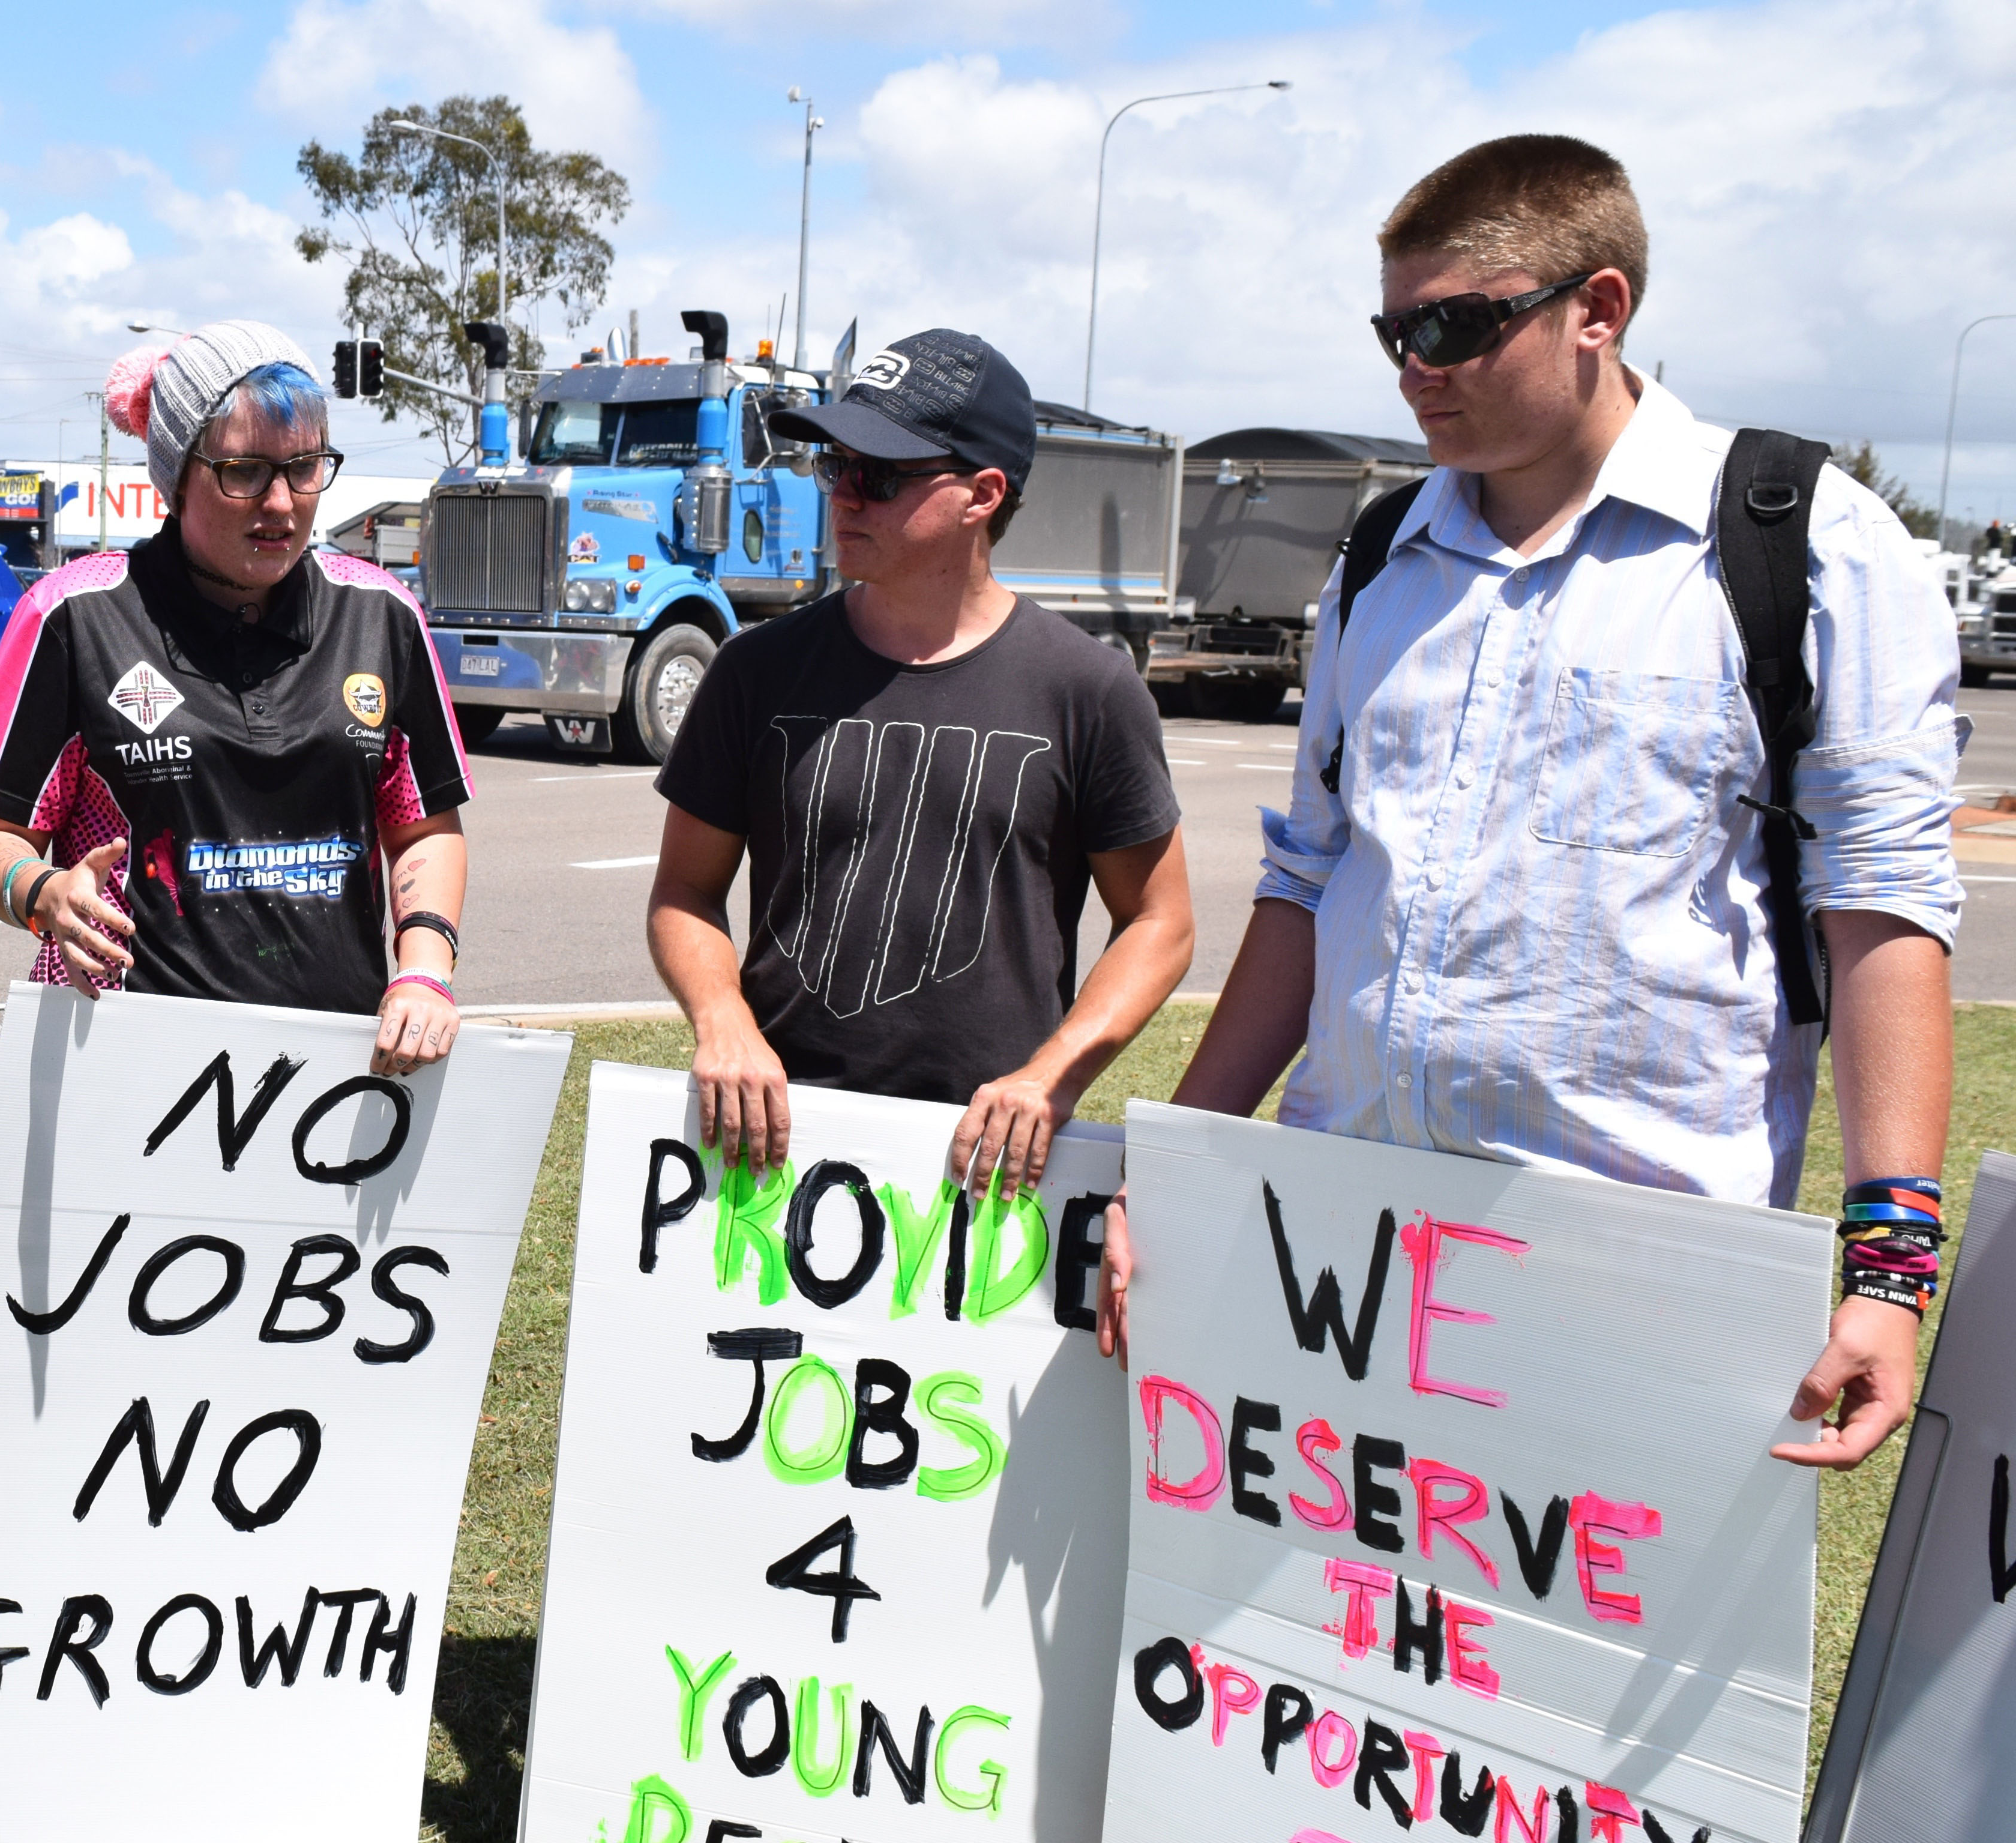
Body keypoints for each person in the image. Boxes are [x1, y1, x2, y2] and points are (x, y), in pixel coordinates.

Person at [1101, 135, 1961, 1476]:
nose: (1414, 368)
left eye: (1455, 323)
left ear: (1597, 311)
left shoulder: (1809, 545)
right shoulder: (1382, 559)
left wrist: (1891, 1268)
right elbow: (1309, 880)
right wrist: (1181, 1158)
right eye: (1393, 331)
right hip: (1345, 1256)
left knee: (1582, 1682)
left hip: (1641, 1278)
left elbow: (1884, 910)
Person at [0, 321, 474, 1843]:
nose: (275, 500)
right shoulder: (77, 619)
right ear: (172, 471)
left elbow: (426, 815)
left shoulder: (384, 622)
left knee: (314, 1463)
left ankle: (316, 1799)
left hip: (331, 1126)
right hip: (126, 1112)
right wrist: (38, 895)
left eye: (301, 468)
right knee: (92, 1471)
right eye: (239, 469)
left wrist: (429, 952)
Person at [646, 327, 1193, 1193]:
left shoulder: (1088, 688)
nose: (844, 497)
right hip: (777, 1142)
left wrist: (1052, 1077)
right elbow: (684, 892)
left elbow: (1162, 924)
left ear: (982, 495)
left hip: (989, 1166)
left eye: (879, 475)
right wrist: (723, 1022)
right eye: (834, 466)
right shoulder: (756, 671)